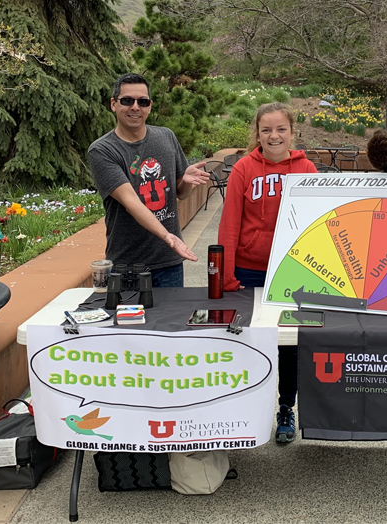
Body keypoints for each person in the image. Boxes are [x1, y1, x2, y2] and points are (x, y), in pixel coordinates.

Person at [218, 102, 318, 443]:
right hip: (248, 270)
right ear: (256, 133)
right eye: (266, 130)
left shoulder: (307, 170)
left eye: (281, 129)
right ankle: (245, 410)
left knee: (289, 346)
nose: (274, 136)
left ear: (292, 132)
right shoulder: (244, 169)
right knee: (248, 342)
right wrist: (226, 274)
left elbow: (321, 227)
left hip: (291, 274)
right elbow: (230, 224)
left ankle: (285, 408)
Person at [88, 73, 211, 288]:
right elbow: (132, 202)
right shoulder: (103, 150)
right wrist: (168, 236)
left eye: (142, 102)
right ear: (113, 104)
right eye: (127, 100)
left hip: (169, 262)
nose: (135, 107)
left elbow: (181, 194)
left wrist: (187, 181)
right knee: (129, 322)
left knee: (170, 320)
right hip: (127, 265)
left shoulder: (166, 137)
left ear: (150, 106)